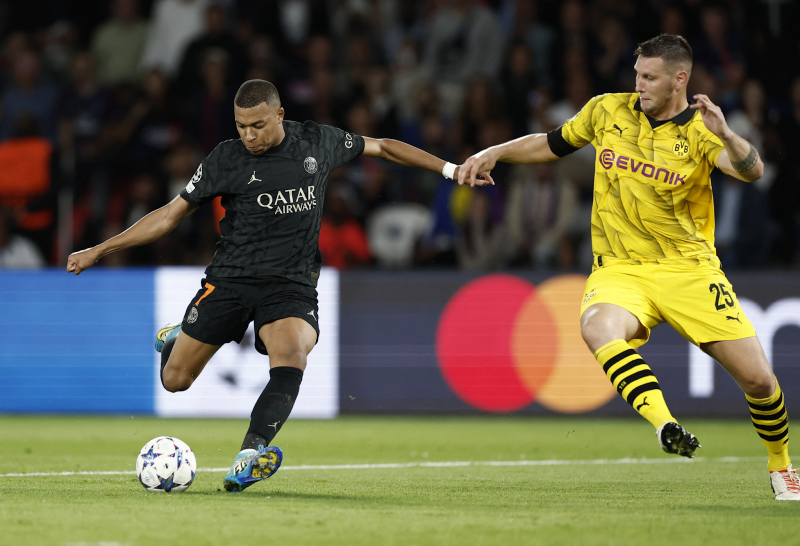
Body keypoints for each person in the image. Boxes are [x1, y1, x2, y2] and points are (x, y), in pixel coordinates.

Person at [67, 79, 492, 493]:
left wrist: (450, 169)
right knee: (175, 380)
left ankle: (249, 455)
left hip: (290, 283)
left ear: (280, 115)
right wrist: (100, 249)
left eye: (258, 125)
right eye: (241, 126)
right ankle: (176, 338)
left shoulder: (317, 143)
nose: (249, 136)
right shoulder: (225, 159)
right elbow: (168, 214)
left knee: (291, 354)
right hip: (231, 279)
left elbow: (382, 146)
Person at [458, 34, 798, 501]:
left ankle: (782, 465)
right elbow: (552, 143)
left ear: (680, 79)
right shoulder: (607, 110)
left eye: (650, 77)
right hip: (620, 267)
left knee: (760, 381)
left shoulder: (701, 130)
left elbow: (751, 170)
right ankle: (665, 425)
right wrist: (496, 151)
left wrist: (727, 134)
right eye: (637, 74)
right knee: (597, 329)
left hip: (689, 270)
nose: (638, 85)